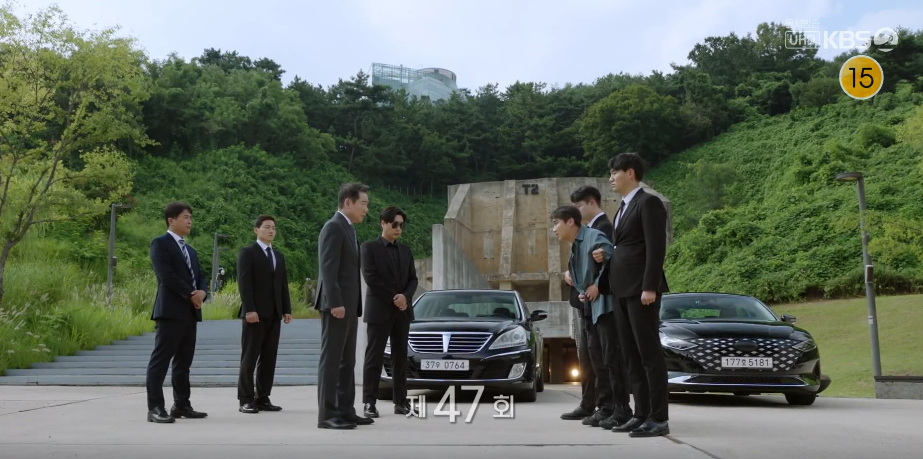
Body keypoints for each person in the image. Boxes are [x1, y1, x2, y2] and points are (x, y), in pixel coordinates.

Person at [594, 152, 670, 437]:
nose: (610, 178)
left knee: (649, 355)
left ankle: (658, 418)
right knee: (630, 356)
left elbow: (655, 247)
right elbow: (626, 247)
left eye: (614, 172)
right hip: (621, 290)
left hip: (641, 290)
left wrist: (650, 286)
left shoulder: (648, 202)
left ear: (630, 173)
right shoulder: (622, 208)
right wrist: (607, 257)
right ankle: (640, 414)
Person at [561, 187, 632, 430]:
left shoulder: (601, 230)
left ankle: (613, 407)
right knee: (594, 358)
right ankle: (600, 405)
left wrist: (598, 285)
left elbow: (613, 260)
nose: (576, 212)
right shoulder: (584, 235)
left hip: (604, 304)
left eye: (579, 206)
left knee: (608, 358)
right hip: (589, 303)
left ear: (592, 203)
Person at [314, 183, 373, 429]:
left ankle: (346, 410)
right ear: (348, 202)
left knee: (347, 361)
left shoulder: (349, 228)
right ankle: (327, 414)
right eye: (363, 204)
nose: (366, 209)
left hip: (348, 307)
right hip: (336, 306)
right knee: (331, 360)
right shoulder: (333, 227)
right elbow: (328, 268)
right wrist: (335, 302)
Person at [145, 202, 209, 424]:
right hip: (170, 311)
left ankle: (181, 404)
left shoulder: (191, 250)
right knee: (161, 360)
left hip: (190, 313)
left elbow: (200, 276)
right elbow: (167, 275)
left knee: (183, 362)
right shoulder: (160, 244)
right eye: (185, 217)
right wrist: (191, 294)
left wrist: (202, 293)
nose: (189, 221)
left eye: (191, 217)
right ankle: (155, 408)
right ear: (171, 220)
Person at [360, 206, 418, 418]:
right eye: (394, 224)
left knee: (400, 357)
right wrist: (396, 298)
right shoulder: (369, 248)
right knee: (374, 357)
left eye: (401, 225)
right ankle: (369, 402)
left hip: (402, 311)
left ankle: (401, 402)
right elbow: (371, 278)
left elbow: (413, 279)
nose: (398, 228)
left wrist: (406, 297)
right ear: (383, 223)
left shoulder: (405, 250)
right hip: (380, 310)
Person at [236, 215, 293, 414]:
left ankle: (263, 397)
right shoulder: (248, 253)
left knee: (269, 358)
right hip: (255, 314)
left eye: (273, 228)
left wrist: (286, 309)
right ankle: (245, 399)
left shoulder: (278, 255)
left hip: (274, 314)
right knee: (250, 357)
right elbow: (244, 283)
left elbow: (282, 284)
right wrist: (249, 309)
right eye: (267, 227)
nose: (271, 231)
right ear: (256, 230)